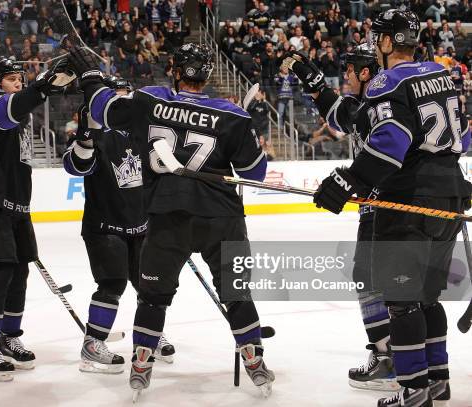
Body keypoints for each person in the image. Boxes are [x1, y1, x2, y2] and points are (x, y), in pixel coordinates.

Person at [67, 43, 273, 401]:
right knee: (237, 293)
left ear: (175, 70)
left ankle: (143, 360)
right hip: (221, 217)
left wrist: (90, 78)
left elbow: (106, 108)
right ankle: (254, 358)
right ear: (207, 76)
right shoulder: (232, 115)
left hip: (167, 215)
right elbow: (255, 172)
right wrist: (246, 125)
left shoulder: (151, 101)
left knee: (152, 297)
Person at [310, 9, 470, 407]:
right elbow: (462, 136)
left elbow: (389, 146)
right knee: (427, 298)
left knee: (401, 301)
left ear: (385, 42)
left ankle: (414, 390)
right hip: (449, 195)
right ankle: (437, 380)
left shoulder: (388, 80)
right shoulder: (441, 74)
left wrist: (346, 181)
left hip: (408, 200)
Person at [284, 43, 397, 391]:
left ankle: (391, 360)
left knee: (378, 281)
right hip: (381, 206)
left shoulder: (383, 107)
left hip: (388, 206)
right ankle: (409, 362)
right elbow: (338, 113)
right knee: (387, 283)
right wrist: (313, 81)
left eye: (350, 70)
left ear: (366, 73)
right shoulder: (368, 104)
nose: (345, 74)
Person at [0, 57, 71, 382]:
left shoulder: (19, 115)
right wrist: (42, 87)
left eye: (20, 78)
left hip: (15, 206)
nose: (17, 83)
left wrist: (38, 89)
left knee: (20, 270)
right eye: (11, 79)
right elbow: (11, 107)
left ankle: (9, 336)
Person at [63, 77, 175, 374]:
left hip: (140, 224)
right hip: (105, 226)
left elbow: (162, 172)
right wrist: (85, 136)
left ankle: (148, 336)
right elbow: (76, 165)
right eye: (118, 96)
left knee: (150, 286)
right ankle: (92, 345)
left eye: (127, 95)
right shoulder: (96, 133)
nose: (125, 102)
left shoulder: (143, 133)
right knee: (112, 284)